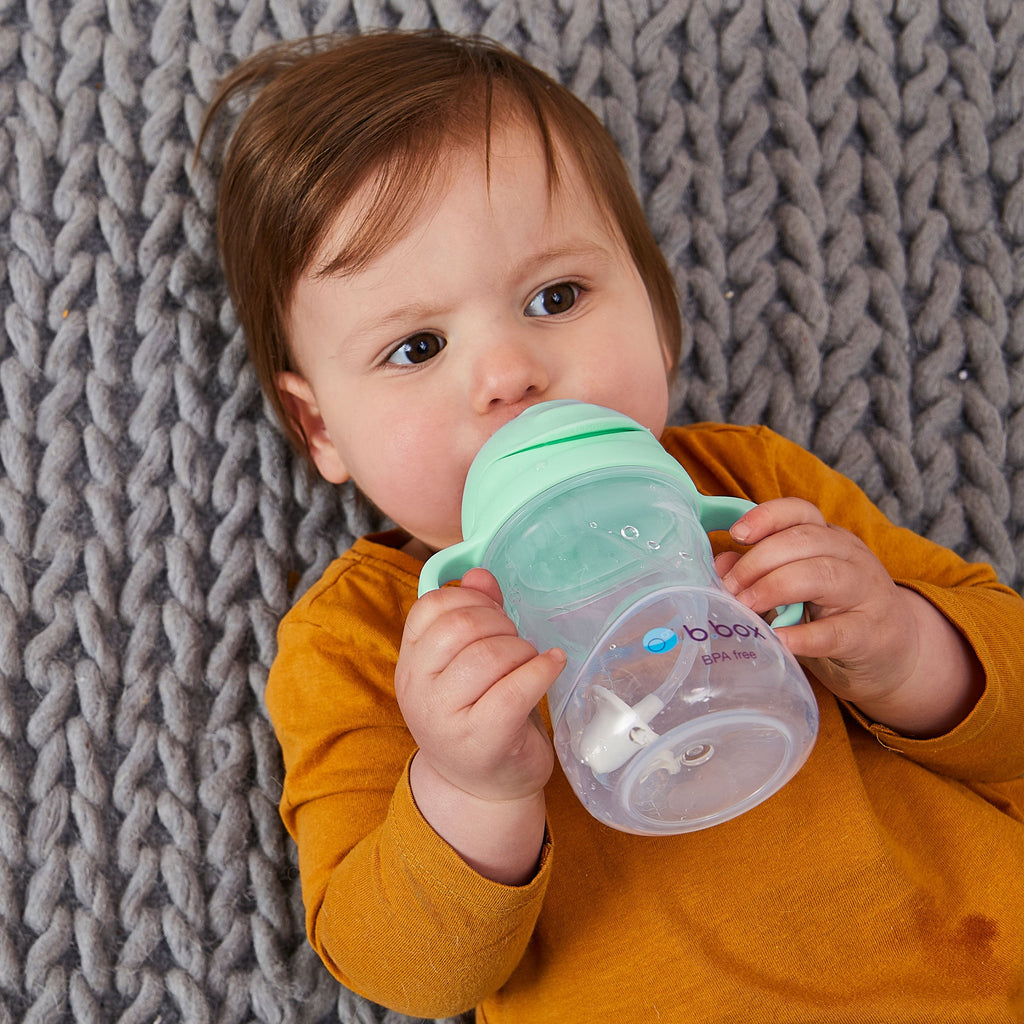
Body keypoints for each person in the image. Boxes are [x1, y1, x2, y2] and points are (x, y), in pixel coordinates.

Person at [200, 29, 1024, 1022]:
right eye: (415, 346)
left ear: (656, 309)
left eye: (557, 296)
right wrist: (470, 791)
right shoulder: (365, 638)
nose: (508, 373)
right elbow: (400, 972)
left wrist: (900, 644)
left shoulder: (753, 487)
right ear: (320, 424)